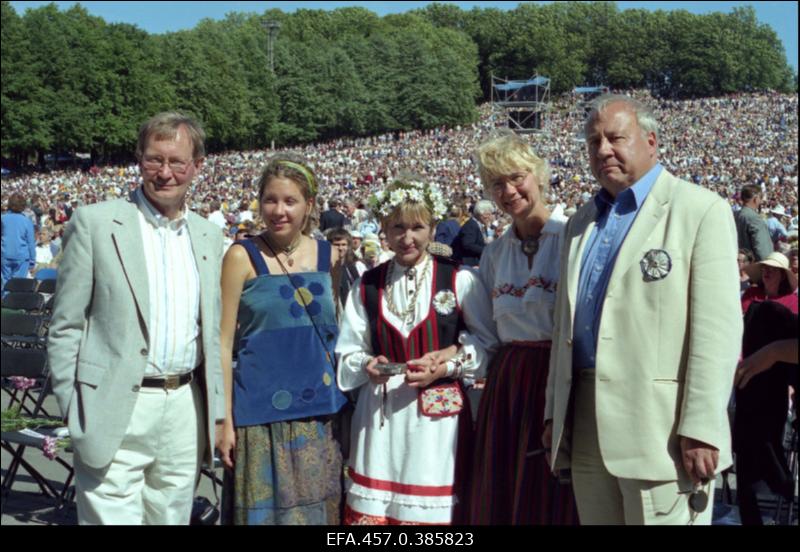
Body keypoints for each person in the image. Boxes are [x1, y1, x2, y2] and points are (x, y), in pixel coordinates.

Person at [543, 94, 742, 525]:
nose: (603, 150)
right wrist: (553, 411)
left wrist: (703, 425)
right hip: (585, 417)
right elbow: (565, 326)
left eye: (616, 138)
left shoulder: (700, 210)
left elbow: (717, 332)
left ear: (650, 141)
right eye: (593, 141)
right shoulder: (579, 223)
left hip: (663, 429)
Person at [47, 112, 224, 524]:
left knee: (171, 518)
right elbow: (66, 325)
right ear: (139, 161)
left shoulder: (208, 235)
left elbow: (210, 334)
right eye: (153, 160)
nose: (165, 173)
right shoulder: (95, 223)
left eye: (177, 162)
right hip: (112, 404)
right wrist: (73, 405)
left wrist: (214, 413)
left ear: (197, 166)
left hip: (183, 407)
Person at [336, 176, 497, 525]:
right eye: (397, 227)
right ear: (383, 229)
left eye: (417, 227)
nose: (407, 238)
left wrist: (448, 367)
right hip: (381, 419)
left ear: (433, 228)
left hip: (438, 425)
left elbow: (487, 346)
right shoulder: (368, 285)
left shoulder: (459, 279)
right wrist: (367, 363)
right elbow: (348, 351)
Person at [217, 155, 348, 525]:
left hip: (319, 412)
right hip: (258, 416)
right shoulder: (241, 257)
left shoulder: (330, 256)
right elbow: (223, 343)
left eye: (290, 201)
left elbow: (332, 329)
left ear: (309, 205)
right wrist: (223, 419)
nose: (278, 211)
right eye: (270, 200)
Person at [463, 132, 577, 525]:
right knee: (506, 486)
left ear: (538, 175)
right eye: (497, 184)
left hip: (559, 375)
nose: (509, 191)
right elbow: (487, 334)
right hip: (510, 383)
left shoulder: (572, 238)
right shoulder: (494, 254)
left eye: (516, 177)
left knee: (556, 489)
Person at [734, 251, 798, 525]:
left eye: (774, 269)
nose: (769, 273)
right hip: (746, 378)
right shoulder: (750, 299)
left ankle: (777, 481)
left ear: (784, 275)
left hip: (776, 382)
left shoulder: (791, 303)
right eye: (766, 269)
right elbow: (734, 334)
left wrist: (772, 355)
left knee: (763, 437)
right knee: (748, 440)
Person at [1, 192, 37, 290]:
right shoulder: (27, 221)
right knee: (17, 284)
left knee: (5, 282)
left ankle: (5, 301)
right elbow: (31, 243)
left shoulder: (3, 218)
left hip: (5, 254)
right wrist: (33, 260)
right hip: (21, 257)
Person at [327, 227, 367, 310]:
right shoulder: (324, 267)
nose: (340, 248)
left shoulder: (351, 267)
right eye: (336, 245)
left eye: (343, 244)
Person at [735, 185, 773, 261]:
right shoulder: (754, 218)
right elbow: (762, 248)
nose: (761, 201)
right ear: (756, 199)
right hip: (752, 266)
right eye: (760, 198)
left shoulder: (735, 215)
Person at [451, 200, 494, 267]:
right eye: (488, 214)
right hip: (468, 264)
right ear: (481, 214)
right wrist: (486, 250)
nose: (490, 217)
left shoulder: (480, 225)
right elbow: (467, 244)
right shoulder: (471, 226)